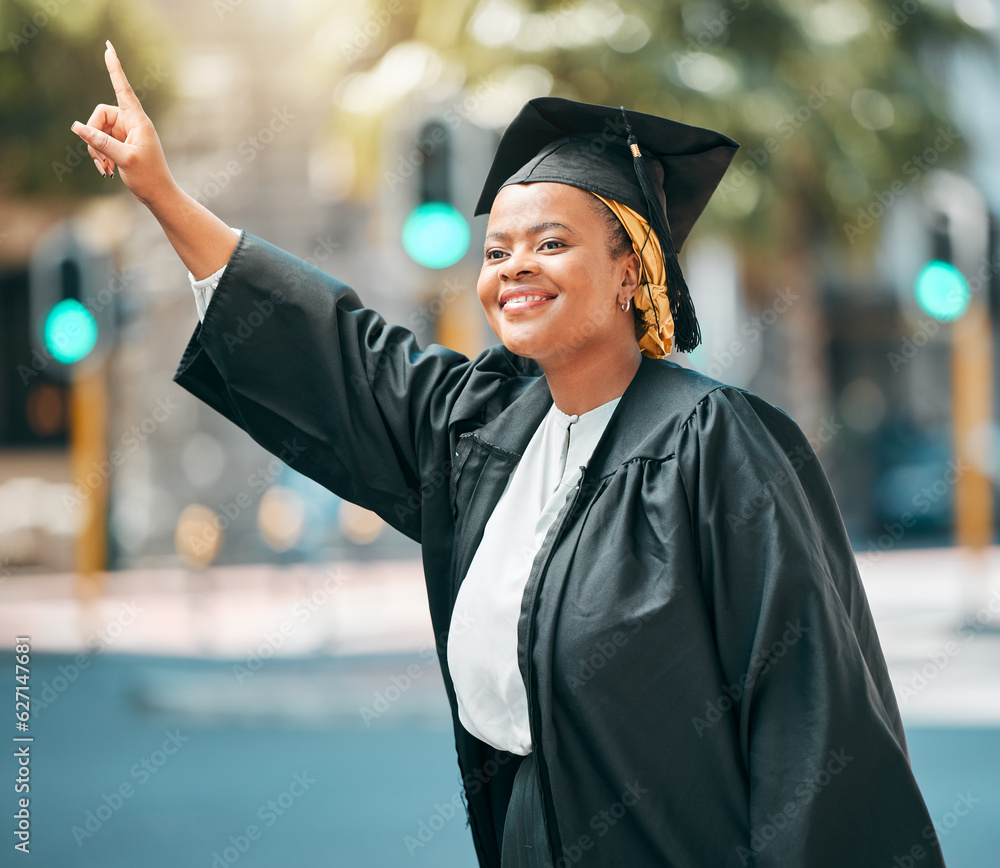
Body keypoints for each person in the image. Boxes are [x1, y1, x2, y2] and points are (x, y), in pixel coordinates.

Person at [73, 41, 946, 868]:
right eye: (498, 250)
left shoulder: (715, 443)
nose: (513, 268)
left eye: (552, 243)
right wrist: (163, 192)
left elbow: (809, 705)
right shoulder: (483, 430)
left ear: (631, 271)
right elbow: (342, 353)